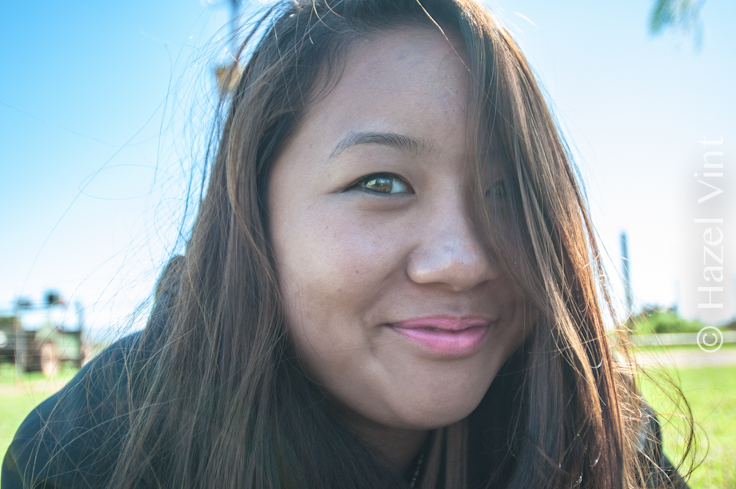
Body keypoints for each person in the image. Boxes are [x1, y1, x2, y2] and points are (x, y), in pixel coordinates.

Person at [2, 1, 691, 488]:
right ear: (254, 217)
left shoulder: (596, 426)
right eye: (382, 182)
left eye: (506, 190)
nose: (465, 260)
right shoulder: (93, 452)